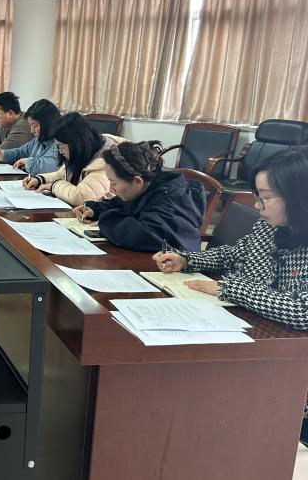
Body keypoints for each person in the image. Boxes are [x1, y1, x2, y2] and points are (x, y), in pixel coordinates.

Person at [152, 146, 308, 329]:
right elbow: (234, 255)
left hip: (286, 340)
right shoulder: (270, 226)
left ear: (300, 197)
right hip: (249, 322)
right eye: (257, 195)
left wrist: (230, 289)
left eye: (266, 197)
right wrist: (186, 260)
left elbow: (303, 312)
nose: (257, 205)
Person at [74, 140, 206, 252]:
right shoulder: (149, 187)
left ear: (137, 181)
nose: (110, 188)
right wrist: (96, 209)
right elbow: (121, 203)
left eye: (113, 183)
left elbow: (142, 234)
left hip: (172, 270)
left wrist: (106, 218)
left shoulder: (172, 199)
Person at [24, 112, 124, 206]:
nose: (60, 151)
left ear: (76, 144)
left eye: (62, 147)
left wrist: (52, 186)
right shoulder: (83, 152)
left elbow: (80, 197)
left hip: (102, 214)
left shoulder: (107, 161)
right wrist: (40, 180)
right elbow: (61, 174)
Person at [0, 99, 60, 175]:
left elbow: (47, 168)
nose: (31, 131)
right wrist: (3, 154)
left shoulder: (58, 143)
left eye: (34, 126)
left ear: (47, 124)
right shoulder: (38, 140)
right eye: (30, 126)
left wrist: (27, 161)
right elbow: (20, 152)